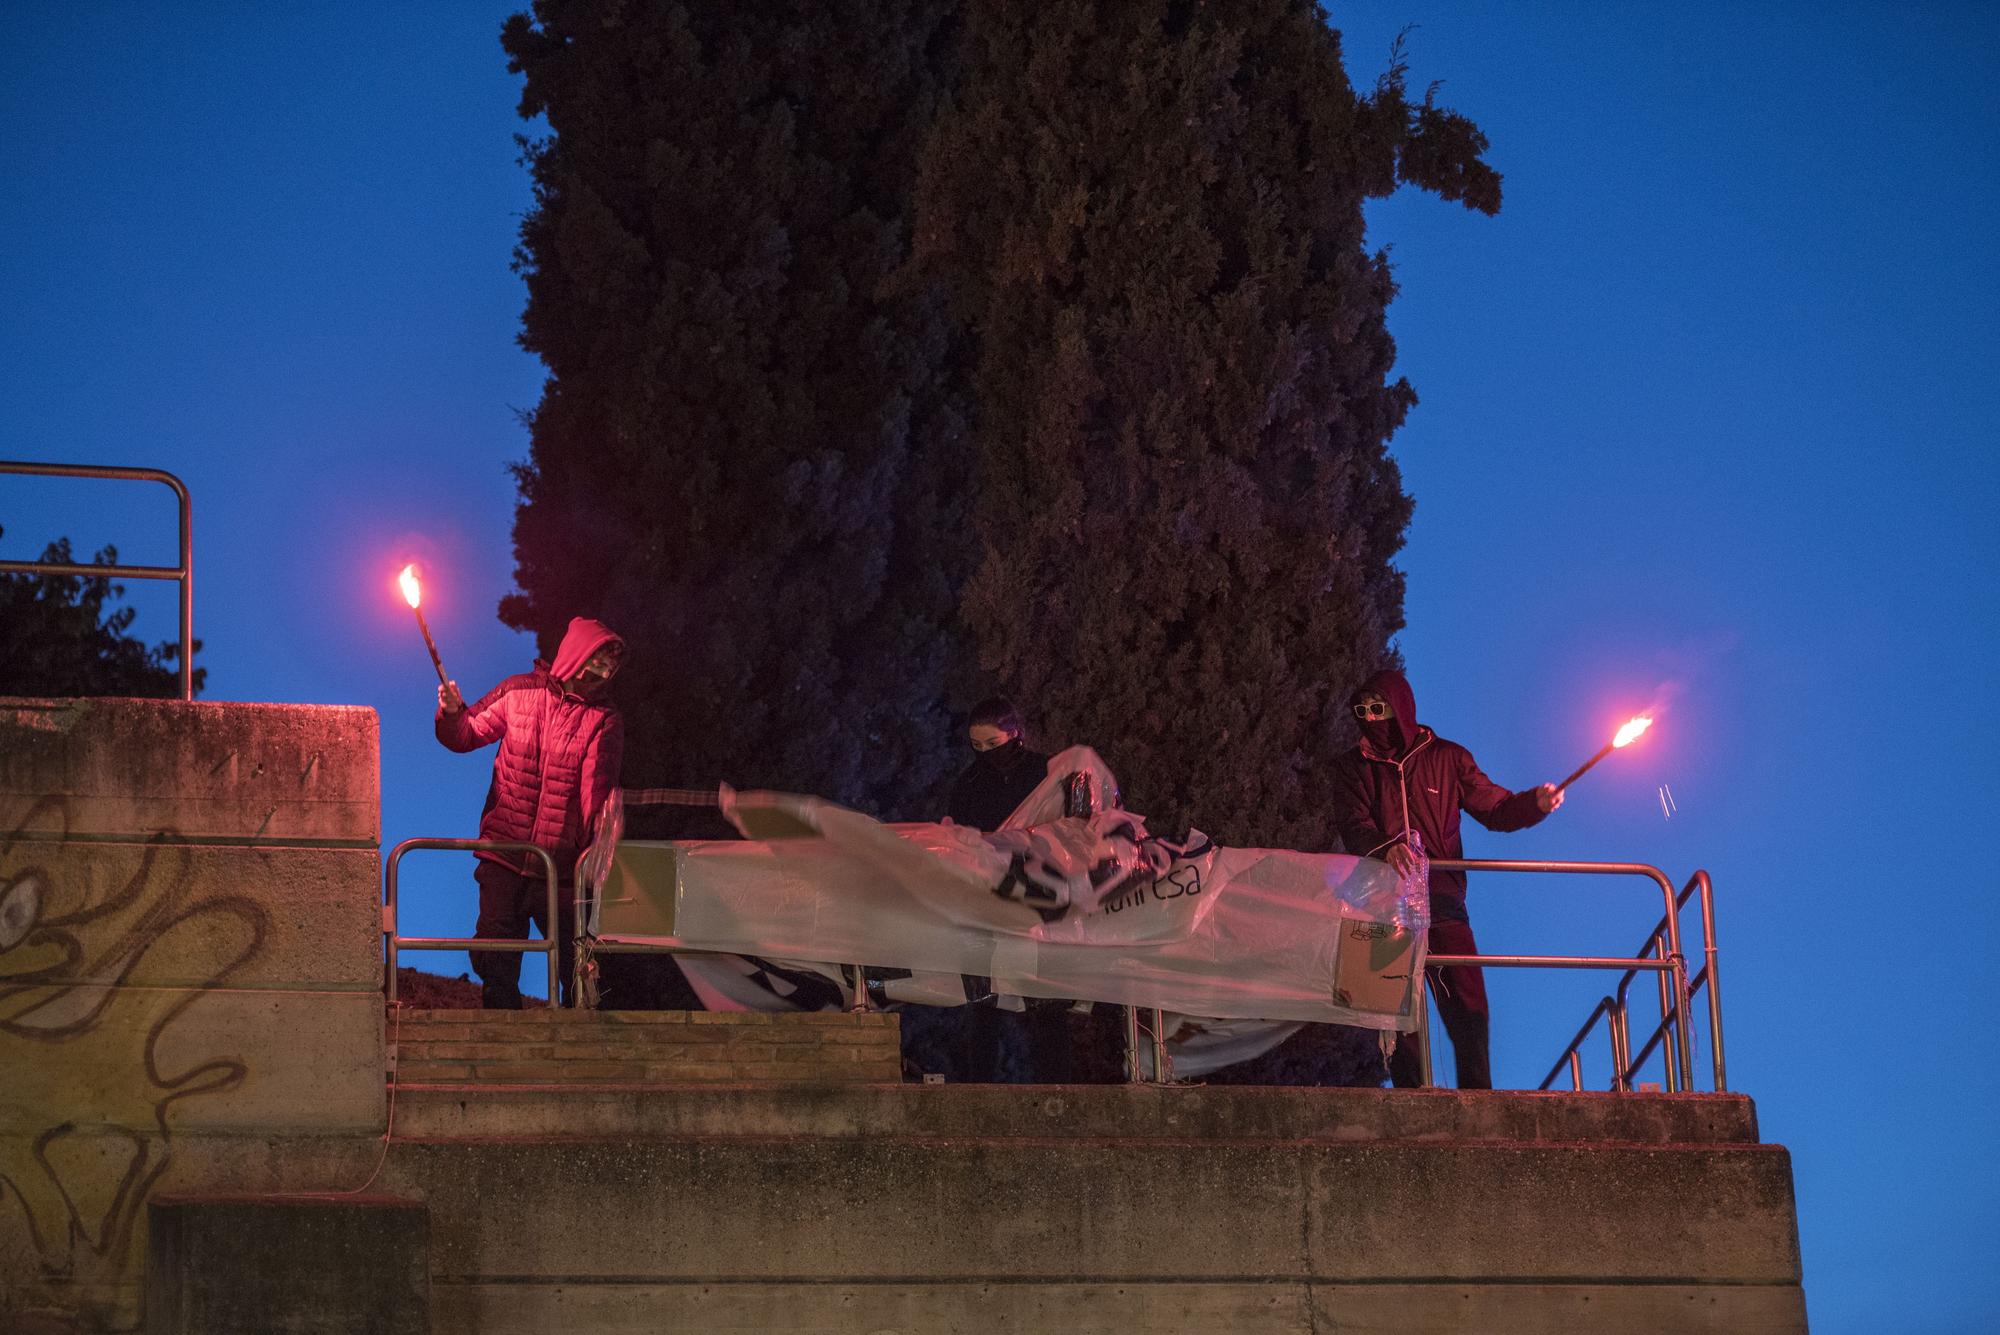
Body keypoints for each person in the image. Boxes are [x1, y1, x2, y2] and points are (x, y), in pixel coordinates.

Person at [1328, 668, 1561, 1089]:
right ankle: (1411, 1102)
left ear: (1400, 708)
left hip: (1441, 898)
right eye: (1361, 711)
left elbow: (1496, 809)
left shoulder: (1447, 758)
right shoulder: (1351, 768)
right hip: (1378, 901)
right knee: (1391, 1015)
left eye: (1379, 708)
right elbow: (1353, 824)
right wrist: (1385, 848)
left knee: (1468, 1006)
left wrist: (1535, 804)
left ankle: (1479, 1099)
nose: (1370, 718)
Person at [435, 617, 626, 1009]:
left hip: (558, 869)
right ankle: (499, 1047)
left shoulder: (603, 719)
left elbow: (596, 789)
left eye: (610, 666)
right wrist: (453, 714)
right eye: (599, 661)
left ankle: (578, 1047)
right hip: (502, 854)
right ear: (577, 656)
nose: (604, 672)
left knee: (576, 966)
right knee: (497, 960)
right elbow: (466, 734)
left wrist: (604, 830)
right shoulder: (519, 691)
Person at [941, 697, 1074, 1081]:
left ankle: (1057, 1086)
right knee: (983, 1001)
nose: (984, 754)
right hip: (984, 898)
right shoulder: (969, 783)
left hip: (1037, 895)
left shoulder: (1044, 774)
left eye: (992, 745)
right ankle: (981, 1084)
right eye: (977, 747)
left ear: (1014, 734)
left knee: (1047, 997)